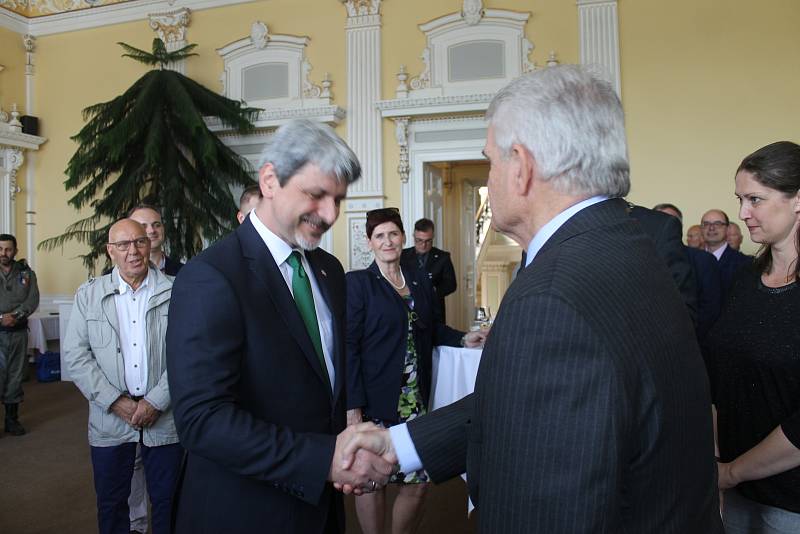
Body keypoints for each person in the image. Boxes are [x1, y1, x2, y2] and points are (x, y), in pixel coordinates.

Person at [340, 65, 723, 532]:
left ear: (520, 166)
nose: (491, 174)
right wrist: (401, 444)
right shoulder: (632, 243)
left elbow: (543, 507)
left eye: (490, 161)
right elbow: (529, 400)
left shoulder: (552, 293)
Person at [166, 119, 395, 534]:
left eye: (338, 200)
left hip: (320, 507)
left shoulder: (328, 270)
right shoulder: (211, 276)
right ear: (269, 180)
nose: (330, 215)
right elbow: (202, 420)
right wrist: (323, 459)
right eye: (316, 194)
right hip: (245, 511)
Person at [346, 208, 485, 534]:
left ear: (403, 238)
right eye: (379, 236)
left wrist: (465, 338)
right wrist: (353, 410)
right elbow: (348, 348)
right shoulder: (359, 284)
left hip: (415, 400)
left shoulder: (420, 281)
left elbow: (433, 329)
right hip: (374, 401)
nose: (387, 241)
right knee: (372, 481)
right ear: (370, 243)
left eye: (393, 234)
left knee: (418, 482)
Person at [62, 219, 183, 534]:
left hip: (165, 417)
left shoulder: (177, 292)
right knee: (112, 502)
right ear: (110, 251)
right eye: (123, 245)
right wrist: (116, 402)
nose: (133, 251)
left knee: (168, 500)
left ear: (149, 244)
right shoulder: (88, 295)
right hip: (109, 419)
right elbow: (75, 355)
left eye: (140, 242)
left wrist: (156, 400)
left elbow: (188, 355)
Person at [708, 141, 800, 533]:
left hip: (790, 503)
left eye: (755, 200)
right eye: (740, 199)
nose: (742, 214)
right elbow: (718, 378)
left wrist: (731, 472)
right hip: (736, 492)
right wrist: (717, 466)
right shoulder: (745, 278)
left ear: (797, 200)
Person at [653, 204, 722, 344]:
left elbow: (710, 309)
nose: (663, 225)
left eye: (669, 221)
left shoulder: (703, 260)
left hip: (693, 344)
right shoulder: (640, 260)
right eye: (659, 221)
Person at [0, 234, 39, 436]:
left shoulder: (26, 273)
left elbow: (32, 300)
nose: (3, 253)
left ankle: (12, 420)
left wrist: (16, 315)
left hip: (18, 333)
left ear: (15, 250)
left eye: (7, 249)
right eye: (0, 249)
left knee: (15, 376)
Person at [400, 218, 457, 322]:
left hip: (434, 311)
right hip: (409, 310)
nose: (423, 245)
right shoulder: (402, 256)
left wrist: (433, 291)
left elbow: (451, 284)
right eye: (419, 240)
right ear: (413, 237)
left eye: (427, 241)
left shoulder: (443, 257)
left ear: (432, 238)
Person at [701, 208, 751, 294]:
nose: (711, 228)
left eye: (718, 223)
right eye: (706, 224)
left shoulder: (745, 263)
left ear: (727, 229)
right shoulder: (688, 260)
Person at [128, 205, 183, 276]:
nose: (151, 231)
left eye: (157, 225)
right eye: (143, 226)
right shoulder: (113, 277)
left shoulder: (184, 272)